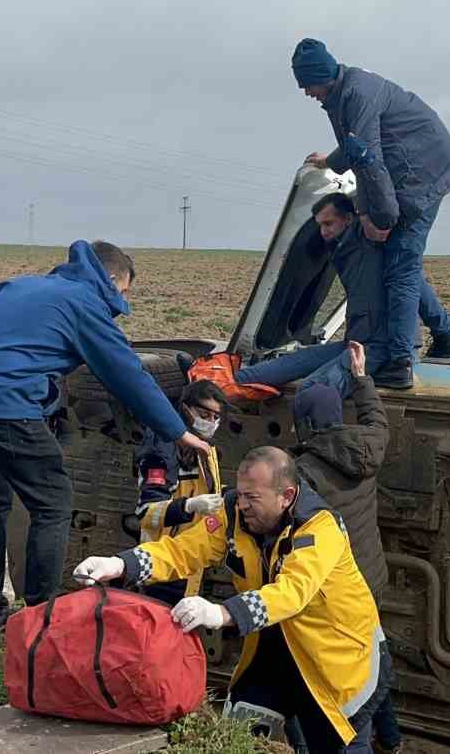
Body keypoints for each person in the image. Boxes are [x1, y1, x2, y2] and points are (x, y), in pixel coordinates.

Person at [0, 239, 212, 642]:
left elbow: (6, 345)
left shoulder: (20, 286)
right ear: (109, 279)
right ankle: (39, 621)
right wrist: (179, 431)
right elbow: (127, 373)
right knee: (53, 503)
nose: (122, 303)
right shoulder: (85, 303)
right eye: (123, 292)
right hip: (3, 402)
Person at [75, 447, 389, 754]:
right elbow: (183, 550)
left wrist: (222, 613)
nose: (242, 505)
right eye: (240, 494)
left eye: (252, 497)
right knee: (238, 734)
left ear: (286, 496)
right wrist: (119, 564)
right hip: (273, 647)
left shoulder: (319, 528)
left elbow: (292, 592)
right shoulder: (233, 515)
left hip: (336, 660)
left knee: (338, 745)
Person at [292, 38, 450, 388]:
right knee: (402, 260)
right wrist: (331, 161)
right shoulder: (343, 92)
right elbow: (356, 146)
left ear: (322, 76)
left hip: (422, 175)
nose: (307, 93)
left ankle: (400, 363)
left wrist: (379, 218)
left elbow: (369, 160)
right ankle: (446, 336)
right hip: (413, 170)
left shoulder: (356, 95)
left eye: (308, 85)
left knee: (400, 268)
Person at [290, 341, 403, 754]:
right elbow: (377, 419)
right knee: (373, 659)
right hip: (371, 576)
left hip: (335, 589)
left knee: (340, 680)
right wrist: (361, 378)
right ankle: (391, 739)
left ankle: (356, 740)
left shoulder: (302, 473)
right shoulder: (367, 446)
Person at [234, 186, 391, 397]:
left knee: (311, 392)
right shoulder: (342, 253)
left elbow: (416, 294)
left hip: (377, 348)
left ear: (349, 219)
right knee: (247, 376)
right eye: (320, 225)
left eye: (328, 223)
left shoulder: (377, 252)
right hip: (354, 341)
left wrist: (406, 352)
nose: (323, 231)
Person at [133, 379, 228, 607]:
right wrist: (189, 506)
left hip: (192, 560)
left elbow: (210, 490)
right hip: (161, 564)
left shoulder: (204, 449)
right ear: (185, 409)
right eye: (204, 415)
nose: (210, 422)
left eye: (216, 417)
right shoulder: (161, 452)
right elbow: (146, 512)